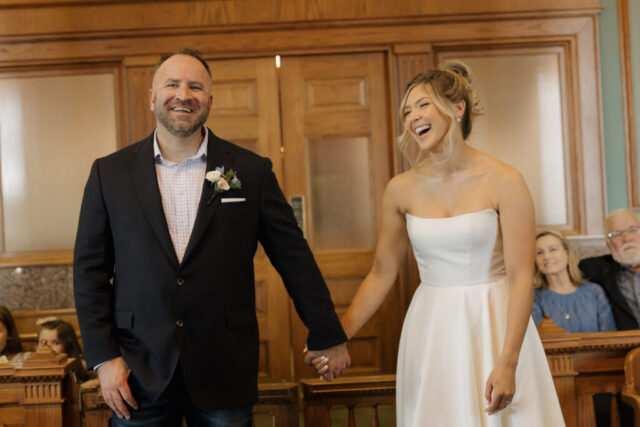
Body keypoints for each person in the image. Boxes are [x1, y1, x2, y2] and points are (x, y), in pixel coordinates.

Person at [74, 48, 349, 426]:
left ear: (209, 100)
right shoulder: (109, 174)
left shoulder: (250, 171)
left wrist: (327, 332)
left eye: (195, 86)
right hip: (138, 369)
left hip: (224, 365)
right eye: (172, 84)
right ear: (152, 96)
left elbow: (294, 258)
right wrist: (105, 359)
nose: (183, 95)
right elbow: (90, 271)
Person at [309, 62, 565, 426]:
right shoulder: (400, 189)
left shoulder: (505, 180)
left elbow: (522, 277)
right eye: (407, 111)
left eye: (422, 105)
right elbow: (382, 274)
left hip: (494, 322)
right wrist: (337, 336)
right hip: (432, 329)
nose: (413, 117)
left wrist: (508, 361)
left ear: (457, 108)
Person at [532, 230, 616, 332]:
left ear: (567, 254)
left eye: (553, 249)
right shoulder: (534, 299)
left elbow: (609, 337)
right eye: (539, 252)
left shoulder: (594, 292)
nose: (546, 257)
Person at [580, 208, 640, 330]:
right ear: (609, 244)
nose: (627, 238)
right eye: (616, 234)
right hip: (627, 346)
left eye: (633, 230)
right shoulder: (597, 269)